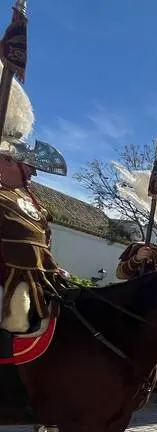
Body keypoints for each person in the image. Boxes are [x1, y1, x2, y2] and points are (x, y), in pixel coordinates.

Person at [0, 71, 68, 358]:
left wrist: (54, 269)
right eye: (26, 168)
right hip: (3, 276)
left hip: (37, 278)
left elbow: (43, 246)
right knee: (14, 311)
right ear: (5, 160)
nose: (31, 174)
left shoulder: (35, 205)